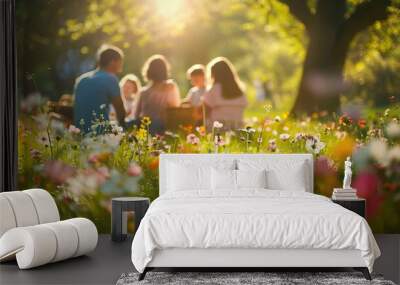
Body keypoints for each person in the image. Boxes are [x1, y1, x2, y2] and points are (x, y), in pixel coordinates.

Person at [73, 44, 126, 133]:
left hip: (79, 133)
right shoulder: (110, 78)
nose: (121, 66)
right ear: (113, 62)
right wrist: (124, 130)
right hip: (99, 135)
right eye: (120, 62)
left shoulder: (81, 80)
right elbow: (120, 110)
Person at [134, 54, 180, 133]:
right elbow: (175, 108)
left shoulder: (143, 92)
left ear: (148, 71)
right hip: (164, 130)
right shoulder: (171, 87)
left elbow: (136, 115)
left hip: (147, 130)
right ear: (165, 70)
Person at [203, 57, 247, 130]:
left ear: (214, 74)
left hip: (218, 129)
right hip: (237, 128)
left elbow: (204, 112)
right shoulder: (240, 90)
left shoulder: (212, 90)